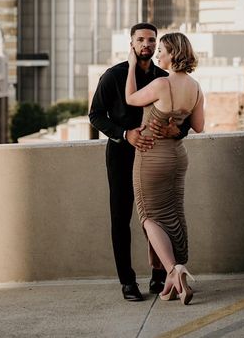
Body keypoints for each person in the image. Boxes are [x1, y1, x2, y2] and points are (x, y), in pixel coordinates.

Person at [89, 23, 191, 302]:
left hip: (156, 157)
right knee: (121, 218)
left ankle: (160, 276)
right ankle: (127, 282)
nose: (146, 44)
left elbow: (183, 121)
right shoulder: (113, 76)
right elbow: (96, 115)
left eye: (151, 40)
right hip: (122, 154)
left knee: (155, 217)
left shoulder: (164, 76)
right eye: (141, 39)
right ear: (131, 43)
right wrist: (125, 134)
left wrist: (178, 131)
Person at [125, 31, 205, 305]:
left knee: (149, 216)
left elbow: (130, 98)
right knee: (173, 213)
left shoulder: (161, 83)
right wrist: (175, 128)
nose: (158, 54)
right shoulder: (195, 87)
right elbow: (199, 126)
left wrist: (132, 66)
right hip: (177, 159)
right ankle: (172, 283)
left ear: (173, 54)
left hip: (151, 157)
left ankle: (173, 269)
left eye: (162, 50)